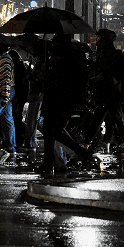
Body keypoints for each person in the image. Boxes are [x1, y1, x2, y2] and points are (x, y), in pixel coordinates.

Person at [38, 34, 95, 174]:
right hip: (63, 103)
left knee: (52, 132)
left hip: (58, 102)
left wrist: (46, 73)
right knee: (51, 132)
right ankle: (49, 162)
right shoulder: (71, 61)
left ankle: (79, 152)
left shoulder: (63, 65)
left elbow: (55, 85)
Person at [85, 29, 124, 157]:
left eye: (100, 37)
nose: (97, 40)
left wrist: (95, 79)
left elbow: (106, 73)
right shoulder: (105, 53)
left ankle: (86, 144)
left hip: (109, 92)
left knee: (103, 118)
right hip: (109, 92)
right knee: (113, 118)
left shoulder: (108, 54)